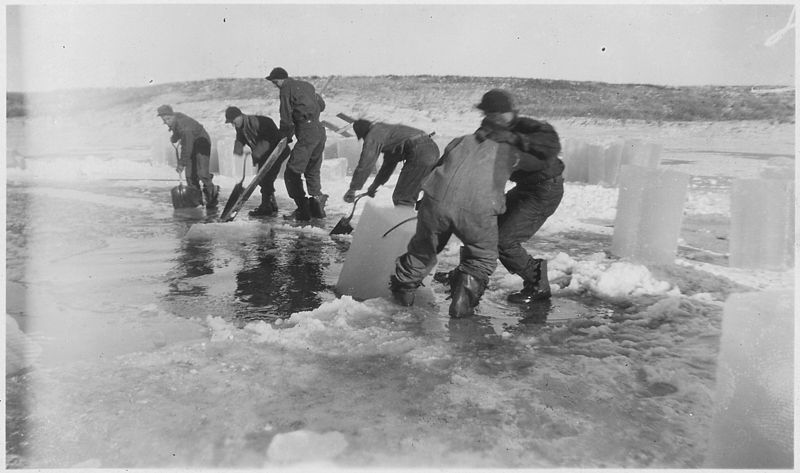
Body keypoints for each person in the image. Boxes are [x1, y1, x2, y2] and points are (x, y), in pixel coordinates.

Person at [390, 91, 553, 318]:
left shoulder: (461, 140)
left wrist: (425, 201)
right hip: (477, 209)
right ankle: (462, 304)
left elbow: (439, 167)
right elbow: (542, 167)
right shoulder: (511, 150)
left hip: (435, 200)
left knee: (423, 250)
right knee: (482, 256)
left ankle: (402, 296)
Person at [435, 90, 565, 304]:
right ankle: (465, 275)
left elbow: (547, 147)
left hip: (544, 190)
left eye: (498, 113)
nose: (493, 118)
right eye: (489, 113)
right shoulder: (488, 130)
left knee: (505, 241)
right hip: (524, 187)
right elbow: (466, 159)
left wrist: (514, 139)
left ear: (509, 112)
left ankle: (537, 283)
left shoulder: (530, 127)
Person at [265, 67, 328, 221]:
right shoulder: (307, 85)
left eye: (275, 82)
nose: (275, 85)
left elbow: (286, 115)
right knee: (312, 169)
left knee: (292, 172)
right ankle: (316, 203)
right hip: (319, 130)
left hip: (307, 132)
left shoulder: (286, 89)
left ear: (281, 79)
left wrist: (285, 136)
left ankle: (303, 209)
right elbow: (321, 105)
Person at [343, 120, 439, 207]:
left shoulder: (373, 135)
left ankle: (403, 224)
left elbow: (366, 163)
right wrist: (375, 186)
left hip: (419, 152)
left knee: (403, 198)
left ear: (364, 133)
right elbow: (388, 164)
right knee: (412, 193)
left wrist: (353, 189)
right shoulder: (388, 132)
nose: (365, 140)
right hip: (432, 149)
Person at [224, 106, 291, 217]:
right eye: (231, 122)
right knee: (263, 180)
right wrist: (238, 151)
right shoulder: (240, 126)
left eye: (233, 121)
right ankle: (271, 204)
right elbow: (240, 139)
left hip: (277, 152)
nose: (233, 124)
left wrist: (255, 155)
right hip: (264, 155)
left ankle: (266, 207)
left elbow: (268, 140)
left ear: (240, 116)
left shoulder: (260, 122)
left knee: (266, 179)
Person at [157, 105, 219, 209]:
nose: (166, 122)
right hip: (190, 143)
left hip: (201, 143)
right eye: (164, 120)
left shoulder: (186, 128)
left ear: (172, 116)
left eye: (168, 119)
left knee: (202, 173)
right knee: (190, 176)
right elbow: (178, 132)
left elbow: (187, 147)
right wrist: (175, 136)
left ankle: (212, 196)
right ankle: (197, 201)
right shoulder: (176, 120)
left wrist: (181, 164)